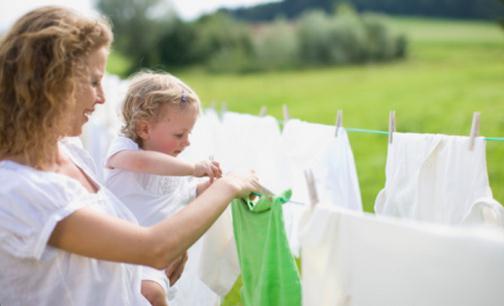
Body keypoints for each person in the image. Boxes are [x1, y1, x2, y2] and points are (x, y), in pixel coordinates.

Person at [0, 6, 260, 306]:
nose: (102, 97)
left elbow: (100, 260)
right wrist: (230, 186)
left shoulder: (70, 152)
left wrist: (145, 271)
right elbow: (153, 247)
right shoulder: (16, 190)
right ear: (54, 83)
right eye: (94, 81)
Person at [104, 71, 223, 306]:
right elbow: (142, 163)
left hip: (154, 258)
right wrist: (192, 168)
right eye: (179, 134)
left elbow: (185, 195)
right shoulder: (125, 150)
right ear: (144, 129)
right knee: (153, 295)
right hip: (119, 252)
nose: (187, 142)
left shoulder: (172, 165)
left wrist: (211, 187)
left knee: (156, 293)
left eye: (189, 133)